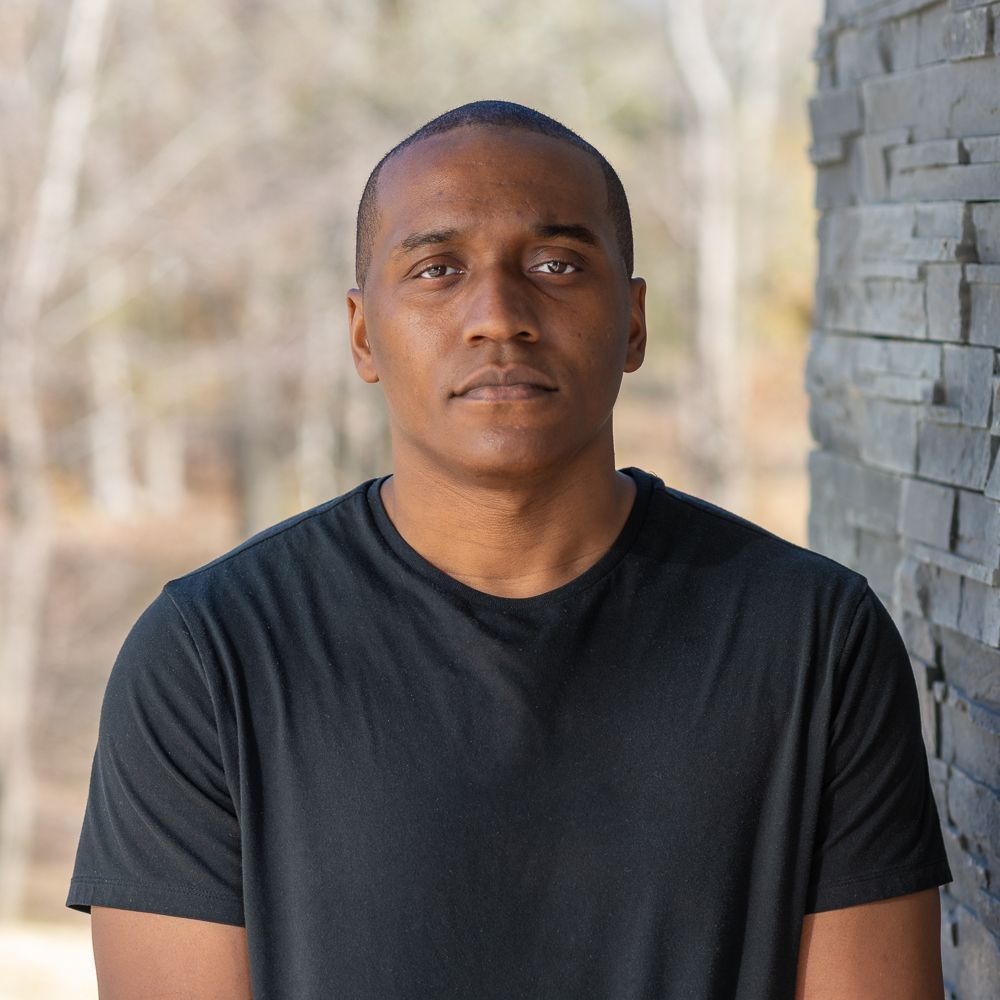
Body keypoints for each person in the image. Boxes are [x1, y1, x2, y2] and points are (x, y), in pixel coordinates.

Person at [68, 100, 952, 999]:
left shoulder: (815, 641)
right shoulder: (208, 657)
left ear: (635, 322)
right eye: (438, 269)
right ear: (364, 332)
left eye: (556, 263)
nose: (498, 315)